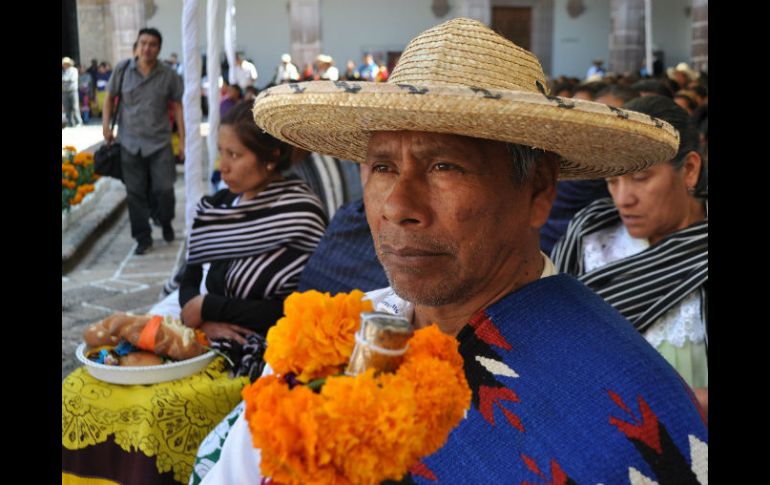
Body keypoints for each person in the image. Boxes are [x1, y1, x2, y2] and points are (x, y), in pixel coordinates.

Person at [197, 18, 707, 484]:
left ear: (538, 192)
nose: (398, 206)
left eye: (444, 166)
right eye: (382, 167)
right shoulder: (332, 339)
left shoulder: (622, 402)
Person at [552, 94, 708, 414]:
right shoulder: (589, 236)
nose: (623, 199)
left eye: (640, 178)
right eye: (612, 181)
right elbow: (551, 347)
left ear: (689, 170)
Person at [102, 27, 185, 255]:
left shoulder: (168, 74)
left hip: (160, 143)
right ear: (137, 46)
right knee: (135, 193)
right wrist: (106, 126)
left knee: (165, 189)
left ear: (159, 49)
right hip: (129, 142)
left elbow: (178, 107)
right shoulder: (122, 69)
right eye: (143, 43)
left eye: (152, 44)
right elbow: (109, 97)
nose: (147, 48)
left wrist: (184, 141)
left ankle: (165, 220)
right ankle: (142, 237)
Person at [62, 57, 83, 127]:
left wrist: (64, 80)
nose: (64, 65)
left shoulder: (74, 70)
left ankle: (79, 122)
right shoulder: (63, 72)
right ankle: (70, 122)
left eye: (65, 63)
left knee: (75, 107)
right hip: (64, 92)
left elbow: (72, 79)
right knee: (67, 108)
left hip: (73, 91)